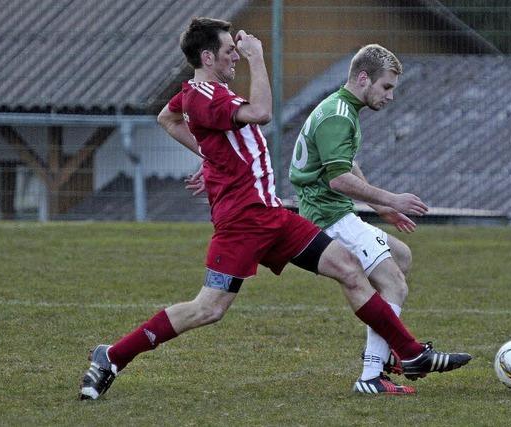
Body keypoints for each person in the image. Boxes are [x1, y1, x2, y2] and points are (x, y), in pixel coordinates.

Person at [79, 18, 470, 401]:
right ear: (207, 56)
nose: (236, 56)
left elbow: (168, 116)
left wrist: (213, 157)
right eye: (230, 51)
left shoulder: (198, 93)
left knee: (350, 270)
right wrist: (257, 57)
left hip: (272, 216)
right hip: (242, 225)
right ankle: (111, 356)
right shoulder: (207, 95)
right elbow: (262, 112)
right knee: (208, 308)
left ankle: (411, 353)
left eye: (238, 51)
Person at [288, 44, 471, 394]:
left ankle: (386, 357)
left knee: (401, 256)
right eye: (386, 87)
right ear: (362, 78)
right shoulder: (339, 115)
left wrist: (382, 209)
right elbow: (337, 178)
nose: (390, 96)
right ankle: (372, 374)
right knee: (394, 284)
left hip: (335, 213)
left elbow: (345, 165)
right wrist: (391, 198)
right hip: (330, 220)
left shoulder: (342, 109)